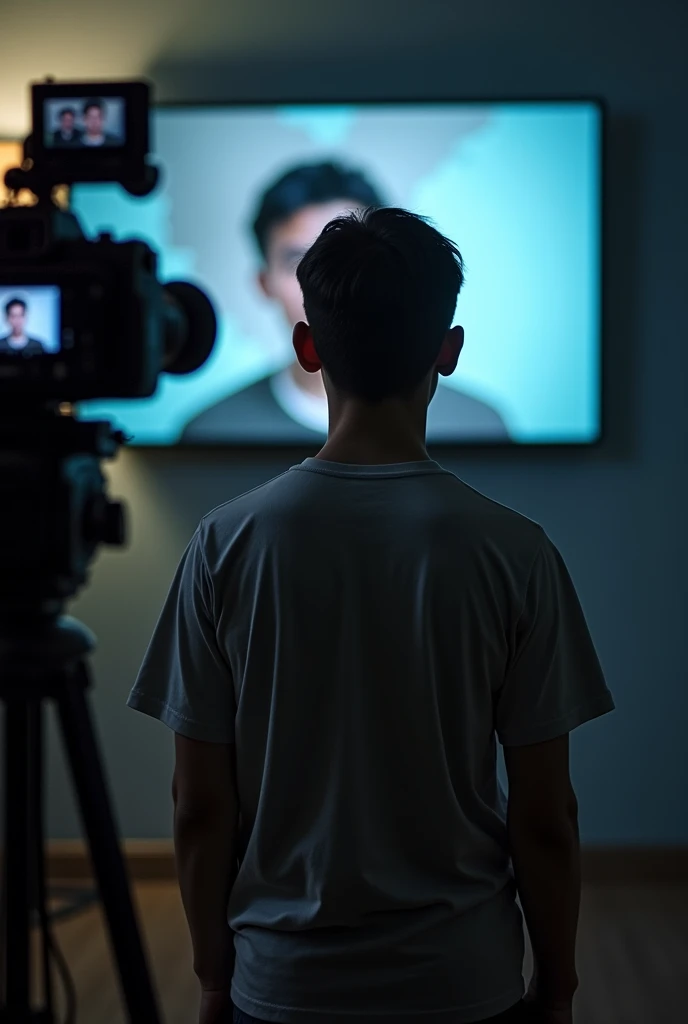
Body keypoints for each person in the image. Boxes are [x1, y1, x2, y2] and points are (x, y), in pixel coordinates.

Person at [128, 208, 615, 1024]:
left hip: (281, 987)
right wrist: (558, 985)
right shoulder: (515, 551)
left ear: (308, 349)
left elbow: (200, 804)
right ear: (449, 352)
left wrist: (215, 975)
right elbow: (545, 814)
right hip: (464, 983)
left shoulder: (224, 544)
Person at [180, 161, 510, 443]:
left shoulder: (479, 424)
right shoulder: (212, 430)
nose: (323, 284)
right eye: (298, 262)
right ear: (264, 284)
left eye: (345, 260)